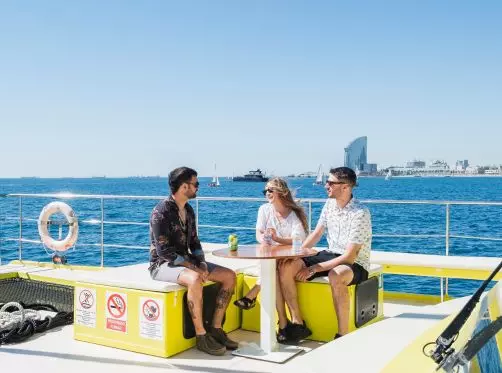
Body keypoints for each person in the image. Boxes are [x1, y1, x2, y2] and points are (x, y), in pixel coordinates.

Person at [149, 167, 238, 356]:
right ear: (184, 187)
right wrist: (193, 268)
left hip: (186, 262)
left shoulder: (188, 210)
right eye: (195, 184)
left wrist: (202, 263)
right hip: (162, 265)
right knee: (195, 279)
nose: (198, 187)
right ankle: (201, 336)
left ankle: (216, 328)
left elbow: (194, 242)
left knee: (229, 276)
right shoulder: (161, 212)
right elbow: (163, 251)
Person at [278, 167, 372, 342]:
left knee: (336, 275)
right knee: (286, 265)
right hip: (330, 254)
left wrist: (313, 268)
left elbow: (350, 257)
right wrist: (296, 254)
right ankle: (298, 323)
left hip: (355, 263)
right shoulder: (329, 205)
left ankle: (342, 335)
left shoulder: (360, 213)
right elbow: (317, 234)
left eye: (330, 182)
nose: (325, 185)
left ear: (345, 187)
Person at [233, 177, 309, 343]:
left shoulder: (293, 214)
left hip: (291, 257)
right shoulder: (264, 210)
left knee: (274, 269)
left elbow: (299, 240)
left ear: (281, 192)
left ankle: (253, 295)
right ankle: (283, 324)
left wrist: (278, 239)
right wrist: (265, 240)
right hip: (272, 257)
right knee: (271, 271)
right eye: (265, 190)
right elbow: (258, 233)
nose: (266, 193)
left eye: (270, 190)